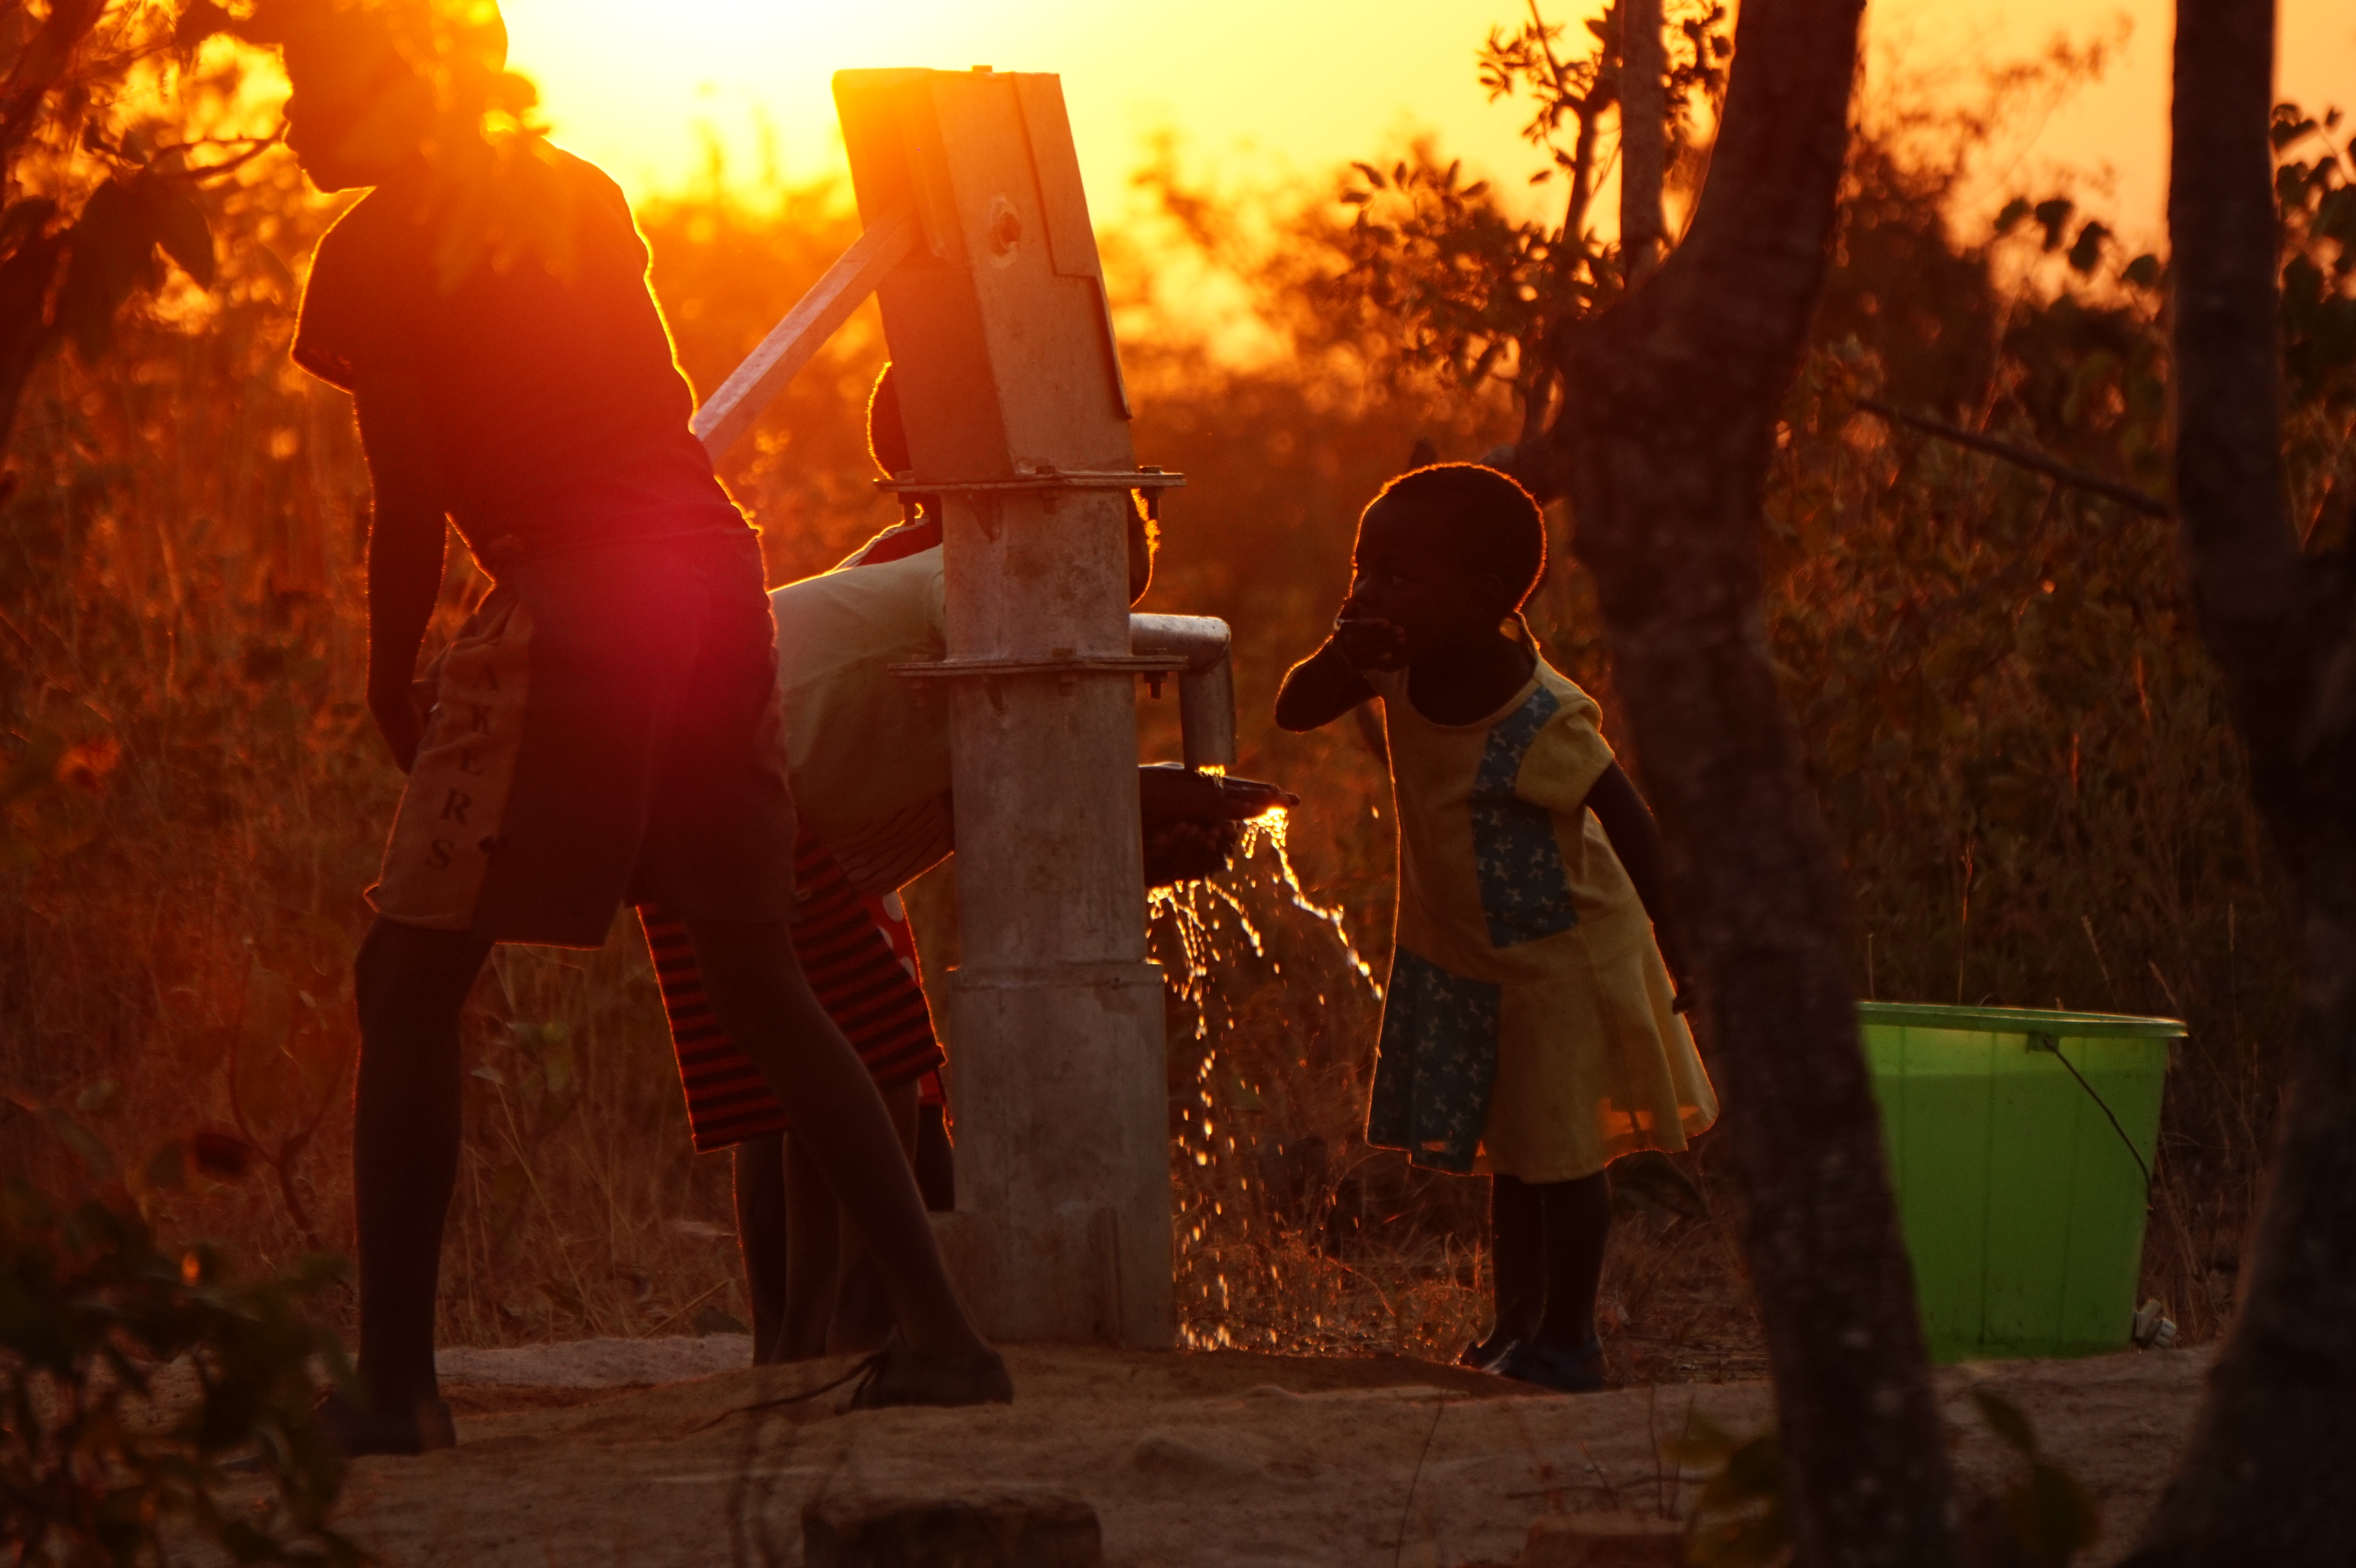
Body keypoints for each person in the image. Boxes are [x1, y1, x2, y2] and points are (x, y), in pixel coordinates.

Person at [266, 0, 1004, 1453]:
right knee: (762, 976)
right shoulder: (579, 188)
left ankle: (398, 1391)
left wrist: (383, 669)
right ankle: (942, 1336)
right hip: (710, 585)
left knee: (407, 983)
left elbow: (410, 491)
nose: (288, 113)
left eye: (309, 78)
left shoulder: (370, 249)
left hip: (576, 600)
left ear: (399, 84)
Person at [644, 366, 1287, 1362]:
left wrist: (1135, 814)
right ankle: (844, 1324)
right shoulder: (976, 572)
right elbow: (1031, 744)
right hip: (758, 791)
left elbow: (982, 779)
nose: (1075, 618)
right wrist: (1159, 794)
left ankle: (797, 1332)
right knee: (871, 1059)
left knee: (780, 1084)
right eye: (1086, 588)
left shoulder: (905, 570)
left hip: (717, 778)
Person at [1273, 464, 1718, 1392]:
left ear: (1481, 597)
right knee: (1515, 1154)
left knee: (1561, 1156)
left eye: (1396, 575)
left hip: (1563, 957)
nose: (1367, 590)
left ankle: (1569, 1338)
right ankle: (1513, 1329)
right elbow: (1294, 707)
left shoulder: (1538, 713)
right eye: (1364, 566)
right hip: (1470, 954)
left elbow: (1629, 820)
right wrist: (1345, 653)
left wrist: (1689, 952)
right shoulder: (1391, 661)